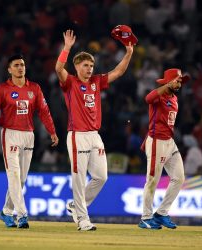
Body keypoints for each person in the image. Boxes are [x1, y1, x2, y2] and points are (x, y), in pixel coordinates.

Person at [55, 29, 134, 231]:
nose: (90, 69)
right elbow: (58, 68)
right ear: (77, 66)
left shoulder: (97, 81)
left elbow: (118, 72)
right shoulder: (70, 82)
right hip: (77, 135)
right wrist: (66, 48)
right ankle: (83, 219)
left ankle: (75, 206)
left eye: (91, 65)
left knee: (101, 177)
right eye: (86, 65)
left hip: (94, 136)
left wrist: (129, 53)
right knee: (79, 178)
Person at [0, 54, 58, 229]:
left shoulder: (34, 88)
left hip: (29, 135)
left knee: (20, 180)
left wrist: (52, 131)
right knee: (13, 176)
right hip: (10, 134)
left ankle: (6, 211)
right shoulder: (1, 89)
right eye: (16, 65)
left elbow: (44, 111)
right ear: (9, 69)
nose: (20, 67)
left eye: (22, 64)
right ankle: (22, 215)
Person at [138, 68, 189, 230]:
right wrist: (165, 85)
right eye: (177, 80)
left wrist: (170, 85)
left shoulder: (174, 98)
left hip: (169, 142)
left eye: (181, 81)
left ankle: (160, 213)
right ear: (168, 81)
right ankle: (145, 217)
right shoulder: (159, 96)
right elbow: (147, 98)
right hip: (156, 142)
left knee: (179, 178)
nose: (180, 84)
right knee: (152, 180)